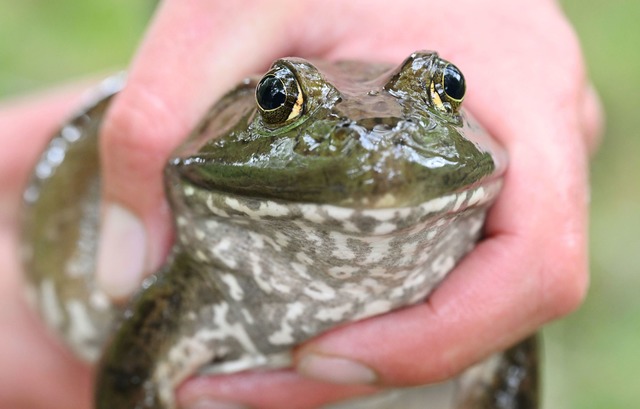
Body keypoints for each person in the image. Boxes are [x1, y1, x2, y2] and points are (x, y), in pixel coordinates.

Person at [0, 1, 603, 408]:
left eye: (442, 90)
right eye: (280, 99)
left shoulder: (463, 216)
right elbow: (129, 380)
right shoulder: (190, 283)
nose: (379, 154)